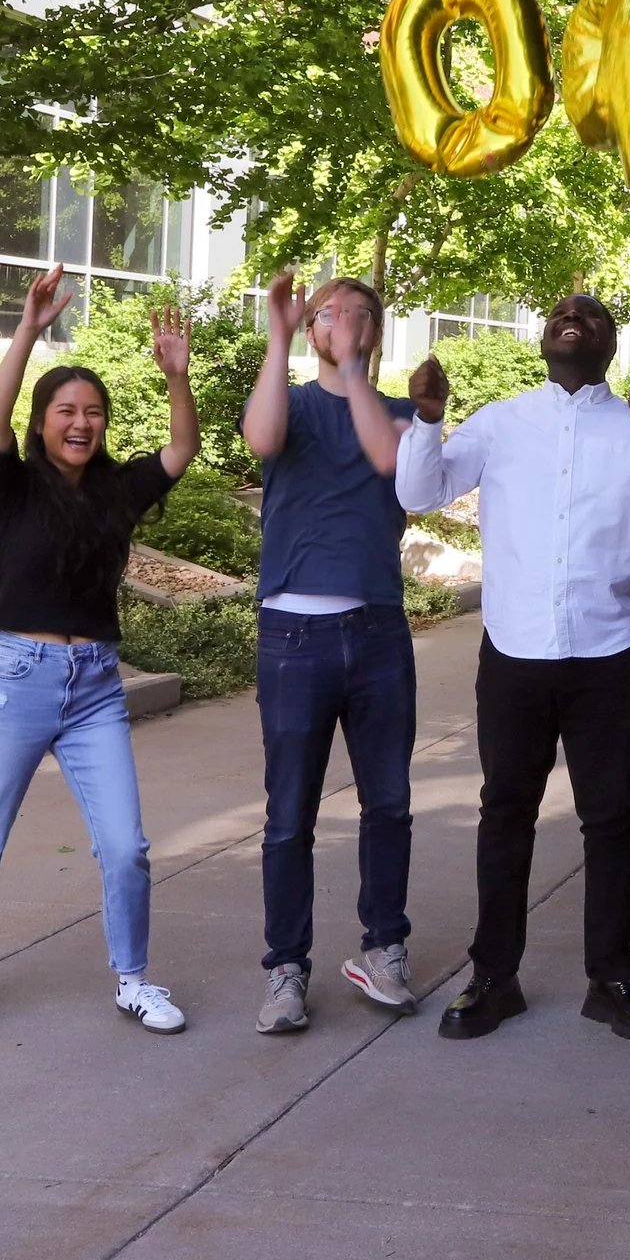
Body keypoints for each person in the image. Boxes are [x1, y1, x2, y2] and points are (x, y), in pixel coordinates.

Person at [396, 289, 630, 1043]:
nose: (572, 318)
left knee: (610, 820)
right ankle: (493, 977)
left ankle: (611, 978)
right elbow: (420, 491)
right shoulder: (504, 421)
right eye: (559, 312)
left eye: (593, 316)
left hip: (607, 657)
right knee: (505, 815)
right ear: (543, 337)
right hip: (515, 656)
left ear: (610, 344)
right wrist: (430, 420)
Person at [0, 263, 198, 1036]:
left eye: (96, 413)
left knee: (127, 847)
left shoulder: (118, 491)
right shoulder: (8, 487)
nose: (82, 423)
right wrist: (28, 332)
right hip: (17, 680)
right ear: (44, 421)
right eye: (67, 411)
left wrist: (177, 375)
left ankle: (133, 979)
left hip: (96, 688)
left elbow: (182, 447)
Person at [241, 268, 422, 1036]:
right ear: (309, 330)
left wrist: (353, 371)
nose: (339, 320)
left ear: (372, 334)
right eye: (325, 314)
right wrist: (279, 338)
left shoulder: (403, 414)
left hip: (377, 631)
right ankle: (286, 968)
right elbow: (261, 438)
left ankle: (383, 948)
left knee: (388, 805)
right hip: (292, 636)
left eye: (355, 314)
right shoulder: (291, 398)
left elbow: (391, 463)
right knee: (289, 817)